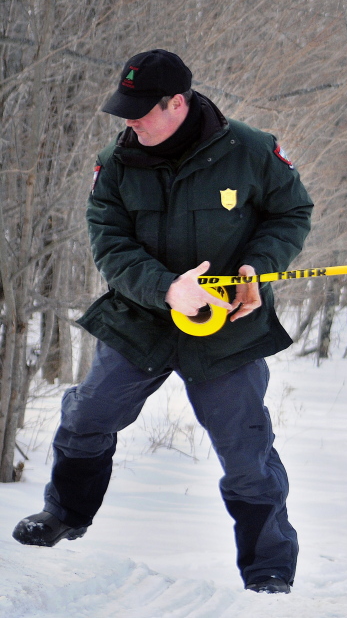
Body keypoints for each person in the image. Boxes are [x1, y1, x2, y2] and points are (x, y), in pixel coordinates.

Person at [11, 49, 314, 595]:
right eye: (123, 110)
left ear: (178, 103)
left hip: (228, 324)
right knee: (88, 416)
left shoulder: (250, 150)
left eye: (140, 110)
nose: (129, 121)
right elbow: (110, 243)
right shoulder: (117, 162)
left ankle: (269, 571)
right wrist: (165, 288)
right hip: (141, 317)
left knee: (246, 451)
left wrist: (257, 267)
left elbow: (291, 212)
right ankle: (65, 514)